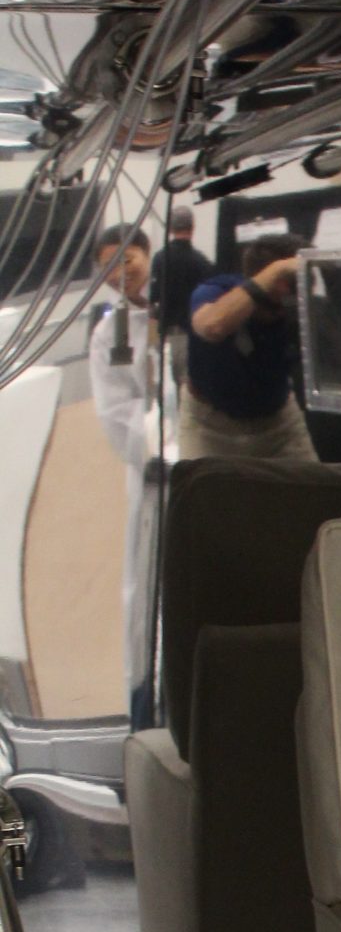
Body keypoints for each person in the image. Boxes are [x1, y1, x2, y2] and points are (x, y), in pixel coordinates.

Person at [89, 224, 176, 724]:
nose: (119, 273)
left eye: (127, 259)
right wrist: (165, 445)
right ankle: (150, 716)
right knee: (148, 603)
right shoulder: (113, 332)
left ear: (148, 253)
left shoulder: (184, 306)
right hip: (156, 480)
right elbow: (116, 418)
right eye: (107, 265)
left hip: (212, 460)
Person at [182, 234, 317, 461]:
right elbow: (212, 326)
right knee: (202, 493)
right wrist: (276, 271)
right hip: (210, 427)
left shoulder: (299, 309)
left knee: (316, 492)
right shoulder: (216, 291)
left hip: (278, 423)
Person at [148, 203, 216, 385]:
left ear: (170, 229)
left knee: (167, 389)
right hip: (192, 337)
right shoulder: (201, 262)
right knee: (189, 389)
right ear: (192, 228)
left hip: (166, 338)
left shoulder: (160, 259)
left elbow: (153, 299)